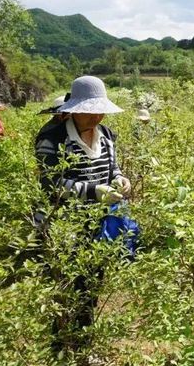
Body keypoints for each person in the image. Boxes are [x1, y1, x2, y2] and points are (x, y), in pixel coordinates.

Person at [34, 76, 131, 351]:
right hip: (65, 224)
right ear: (75, 109)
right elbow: (50, 182)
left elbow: (113, 168)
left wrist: (121, 179)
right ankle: (61, 349)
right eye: (91, 111)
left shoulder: (107, 135)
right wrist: (93, 191)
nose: (96, 116)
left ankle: (84, 345)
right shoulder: (52, 138)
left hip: (98, 223)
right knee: (66, 286)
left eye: (100, 110)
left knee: (91, 283)